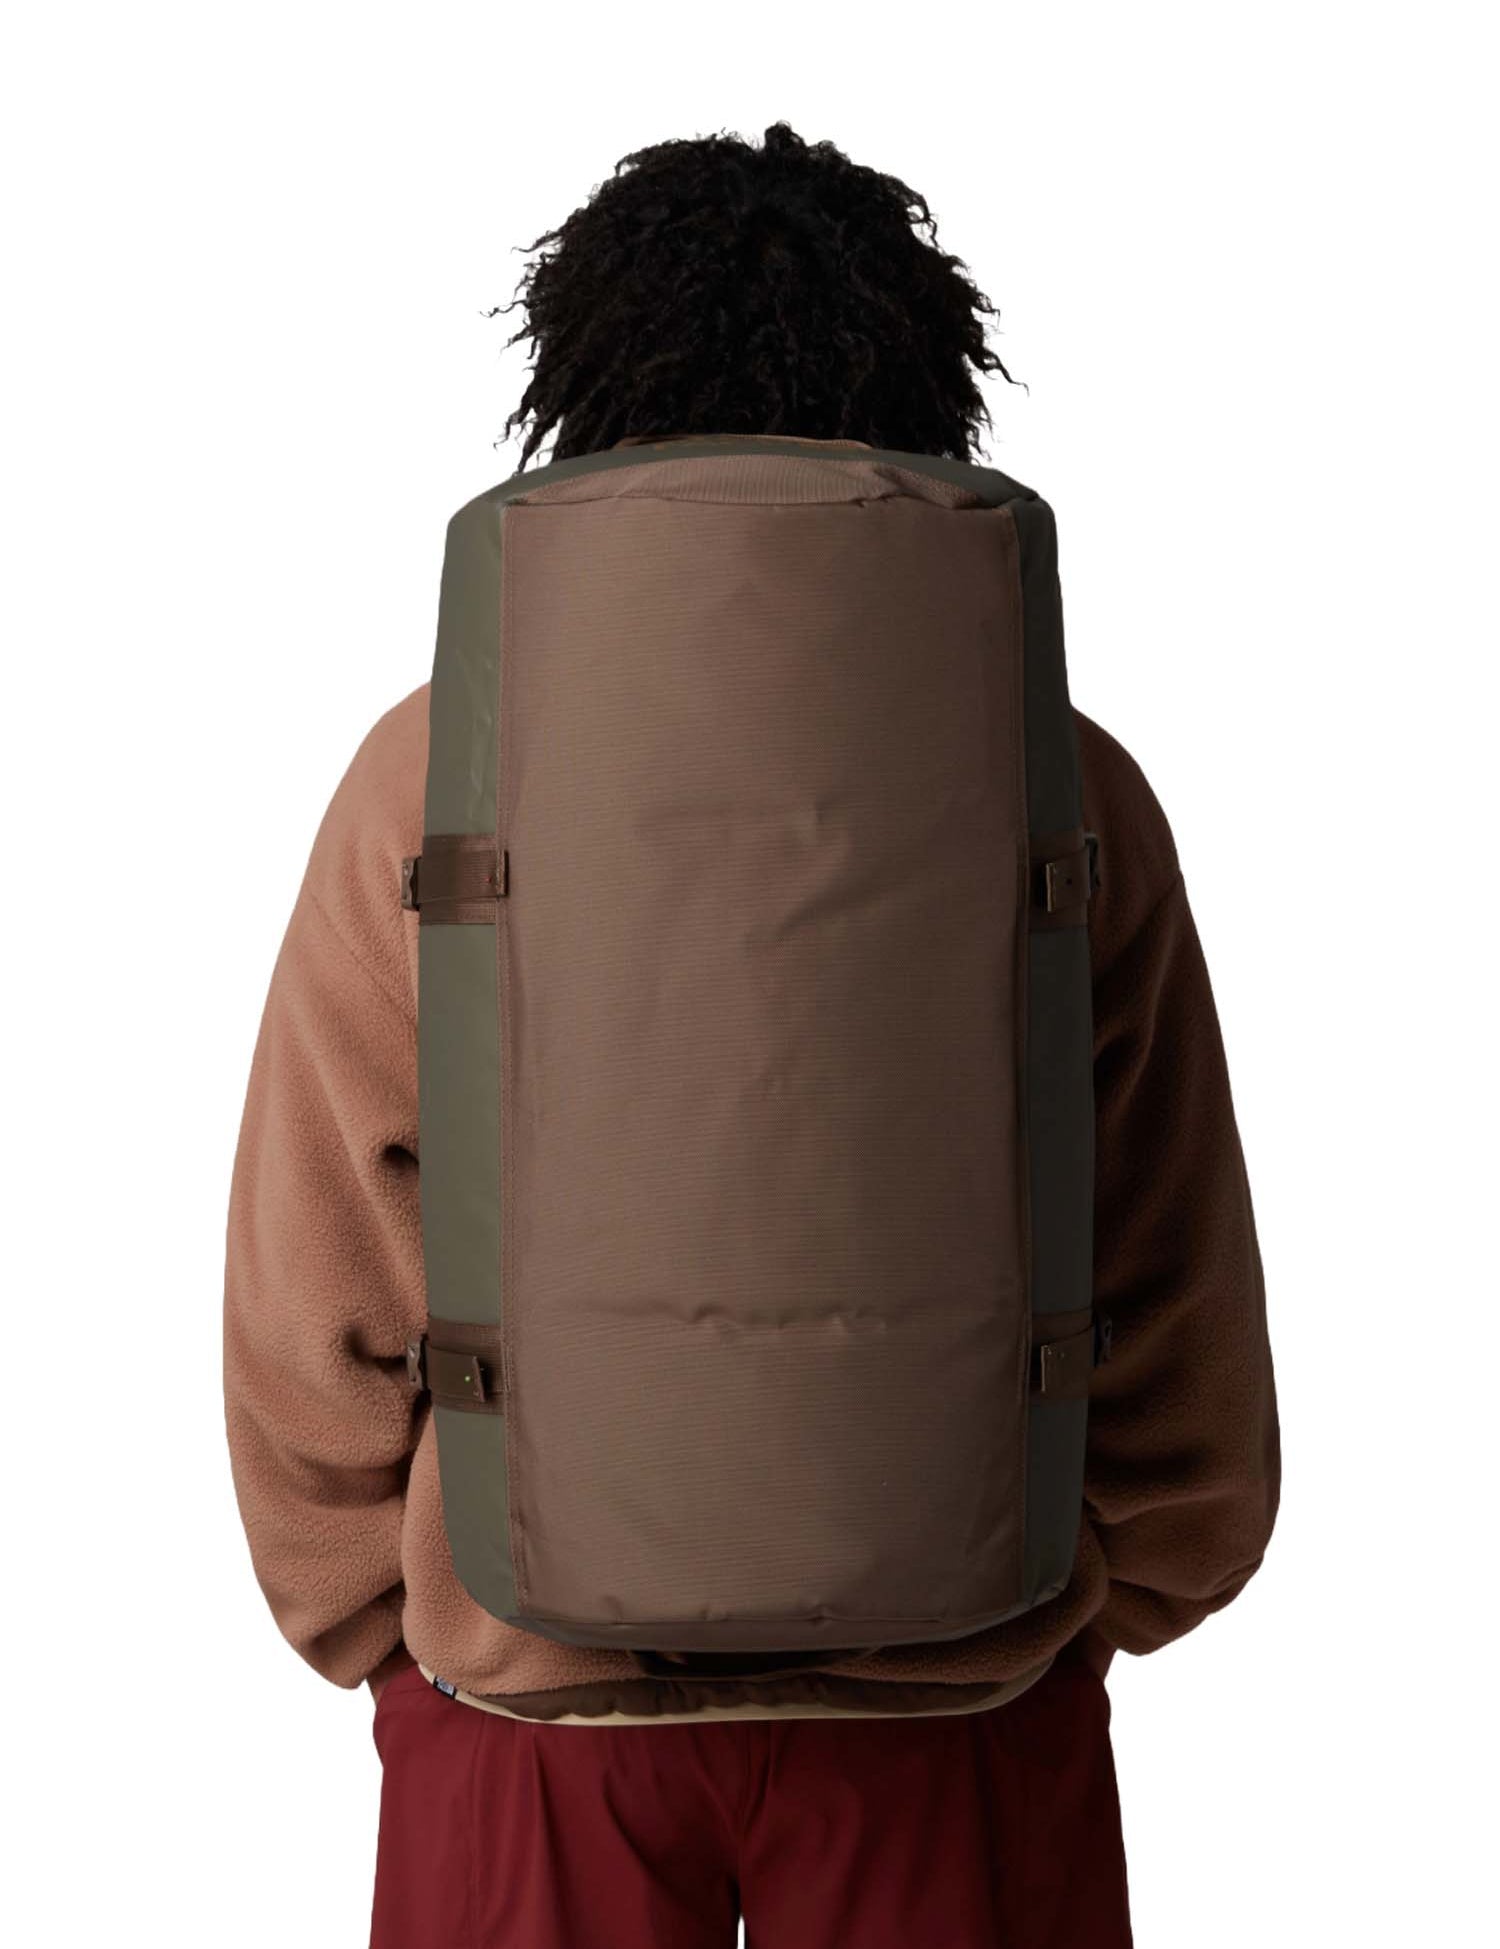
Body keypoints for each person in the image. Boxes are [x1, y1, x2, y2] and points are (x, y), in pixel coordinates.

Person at [223, 121, 1279, 1949]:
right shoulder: (1064, 774)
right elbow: (1167, 1253)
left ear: (593, 393)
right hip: (961, 1709)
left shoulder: (431, 768)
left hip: (529, 1714)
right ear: (920, 394)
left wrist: (380, 1615)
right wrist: (1123, 1575)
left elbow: (322, 1260)